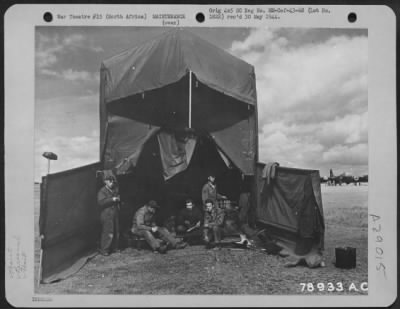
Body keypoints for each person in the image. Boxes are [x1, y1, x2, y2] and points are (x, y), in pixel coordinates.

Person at [97, 174, 120, 256]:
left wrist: (118, 199)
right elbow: (101, 202)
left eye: (113, 180)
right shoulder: (102, 191)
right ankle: (104, 250)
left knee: (116, 231)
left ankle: (114, 248)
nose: (112, 182)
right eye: (109, 181)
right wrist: (112, 199)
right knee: (108, 232)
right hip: (107, 214)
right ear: (105, 182)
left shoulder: (114, 189)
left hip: (114, 213)